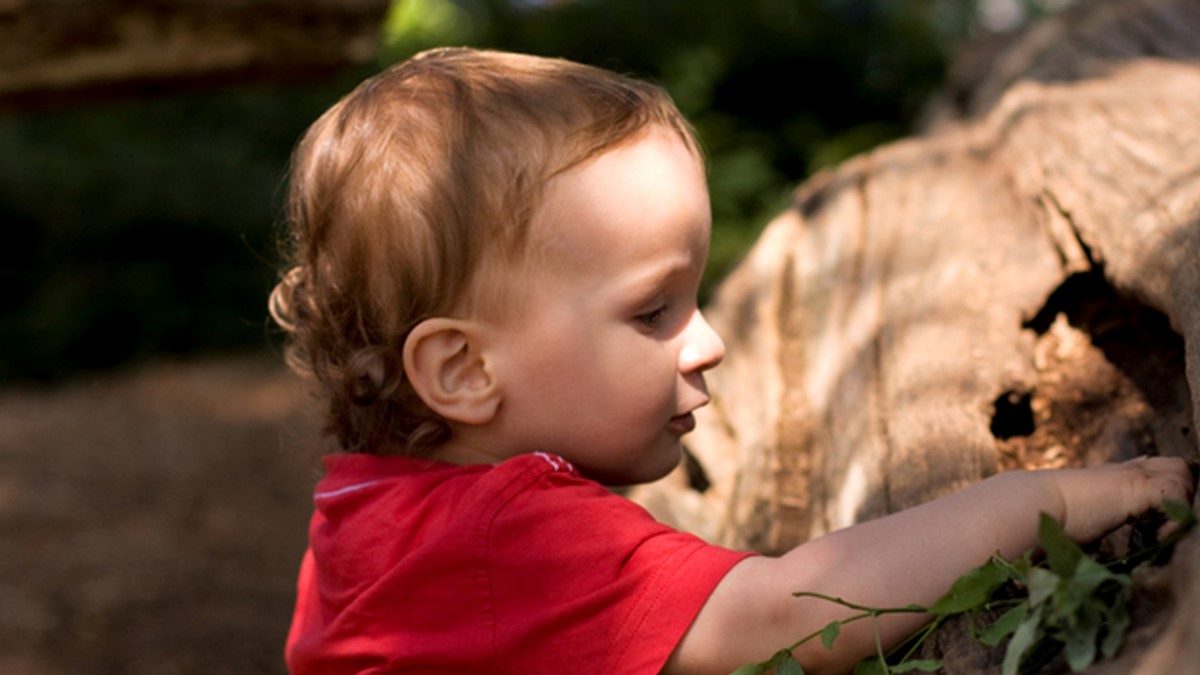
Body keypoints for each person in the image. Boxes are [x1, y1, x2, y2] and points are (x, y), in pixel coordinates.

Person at [269, 47, 1194, 675]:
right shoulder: (507, 534)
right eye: (652, 311)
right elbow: (786, 616)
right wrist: (1057, 500)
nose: (709, 341)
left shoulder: (364, 510)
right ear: (464, 370)